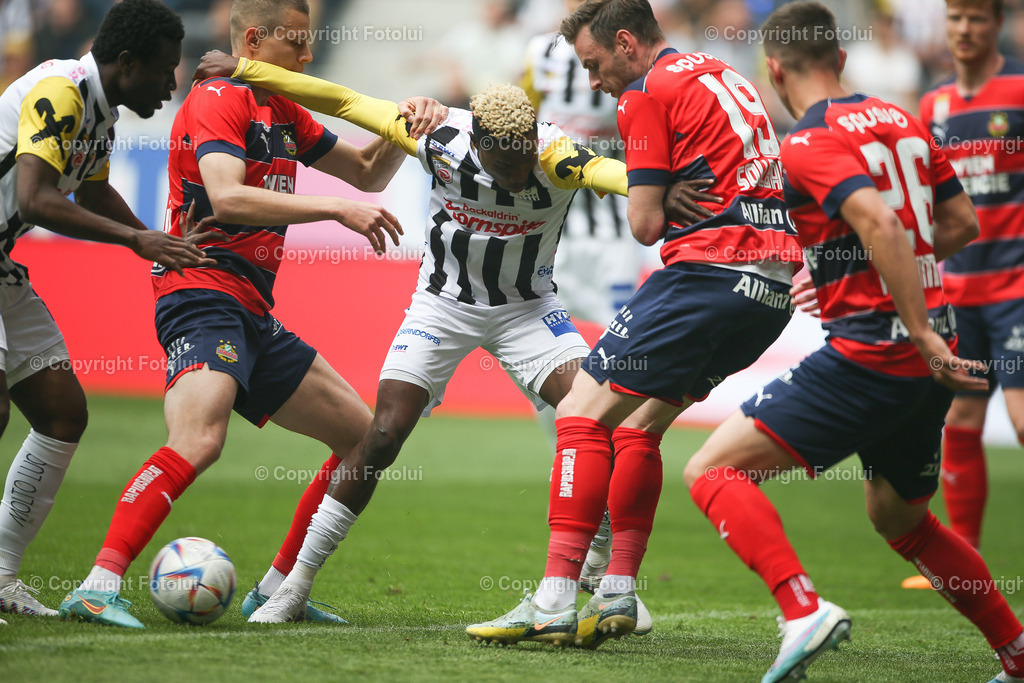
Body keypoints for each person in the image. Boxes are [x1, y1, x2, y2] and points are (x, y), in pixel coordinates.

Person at [188, 47, 711, 625]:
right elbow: (342, 100)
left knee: (600, 417)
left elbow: (616, 175)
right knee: (382, 435)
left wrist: (661, 190)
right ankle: (294, 586)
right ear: (478, 139)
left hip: (527, 312)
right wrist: (245, 70)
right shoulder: (439, 135)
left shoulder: (555, 154)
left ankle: (603, 563)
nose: (515, 174)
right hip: (441, 307)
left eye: (521, 160)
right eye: (502, 162)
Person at [57, 0, 444, 629]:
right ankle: (97, 584)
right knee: (200, 439)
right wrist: (334, 210)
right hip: (201, 292)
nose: (309, 57)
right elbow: (229, 197)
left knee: (363, 438)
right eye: (298, 43)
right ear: (257, 41)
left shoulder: (282, 108)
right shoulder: (219, 98)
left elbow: (370, 174)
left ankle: (278, 588)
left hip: (252, 307)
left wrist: (409, 123)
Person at [680, 3, 1024, 682]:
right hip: (928, 351)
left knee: (711, 470)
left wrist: (915, 325)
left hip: (879, 352)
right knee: (900, 515)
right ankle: (1018, 654)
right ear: (839, 59)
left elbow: (881, 222)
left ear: (772, 68)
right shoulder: (903, 118)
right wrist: (865, 271)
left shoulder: (805, 144)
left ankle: (801, 608)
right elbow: (956, 224)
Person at [468, 0, 802, 649]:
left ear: (626, 43)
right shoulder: (723, 73)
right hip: (770, 291)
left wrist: (656, 188)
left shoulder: (647, 91)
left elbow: (646, 224)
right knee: (641, 425)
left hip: (708, 273)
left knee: (580, 414)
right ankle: (618, 589)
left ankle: (556, 597)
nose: (595, 81)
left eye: (595, 65)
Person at [0, 0, 213, 621]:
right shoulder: (61, 93)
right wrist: (138, 241)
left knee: (63, 414)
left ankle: (3, 575)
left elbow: (91, 193)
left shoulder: (100, 114)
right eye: (164, 70)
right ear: (127, 63)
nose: (172, 83)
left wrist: (155, 240)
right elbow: (37, 199)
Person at [902, 0, 1024, 589]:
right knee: (963, 421)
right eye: (955, 18)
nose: (965, 29)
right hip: (961, 291)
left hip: (1017, 289)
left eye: (977, 18)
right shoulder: (933, 103)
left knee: (1022, 421)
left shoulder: (1019, 89)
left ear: (997, 23)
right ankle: (966, 561)